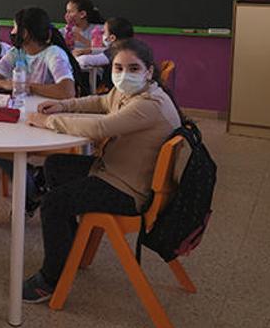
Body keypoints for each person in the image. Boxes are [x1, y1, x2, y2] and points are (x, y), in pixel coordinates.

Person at [21, 38, 182, 303]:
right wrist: (64, 105)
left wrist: (49, 121)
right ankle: (69, 246)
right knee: (56, 165)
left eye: (133, 68)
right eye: (118, 68)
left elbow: (99, 128)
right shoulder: (131, 93)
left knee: (52, 203)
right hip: (116, 170)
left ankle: (51, 278)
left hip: (129, 190)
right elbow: (100, 103)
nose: (123, 75)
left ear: (149, 71)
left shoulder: (150, 105)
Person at [0, 7, 84, 99]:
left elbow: (67, 91)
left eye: (14, 27)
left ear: (24, 33)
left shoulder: (53, 53)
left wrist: (27, 86)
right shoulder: (16, 52)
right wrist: (5, 84)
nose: (12, 32)